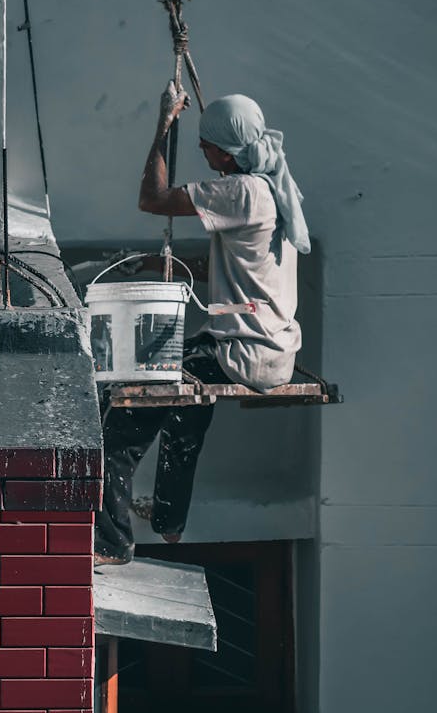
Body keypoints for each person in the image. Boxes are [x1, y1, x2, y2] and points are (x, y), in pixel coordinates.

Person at [93, 83, 310, 565]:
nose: (202, 151)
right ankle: (170, 522)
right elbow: (231, 269)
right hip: (270, 350)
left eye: (206, 145)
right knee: (186, 408)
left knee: (124, 411)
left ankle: (110, 542)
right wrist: (154, 263)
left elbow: (152, 199)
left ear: (227, 151)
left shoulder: (241, 191)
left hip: (242, 350)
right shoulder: (273, 188)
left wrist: (163, 124)